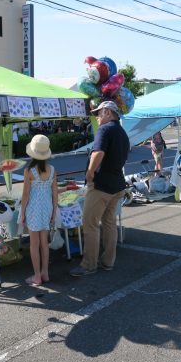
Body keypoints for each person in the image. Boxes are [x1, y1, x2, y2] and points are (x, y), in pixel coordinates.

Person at [70, 101, 129, 277]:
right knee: (109, 224)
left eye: (98, 113)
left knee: (90, 224)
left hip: (101, 185)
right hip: (117, 184)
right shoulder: (122, 132)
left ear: (107, 112)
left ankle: (89, 265)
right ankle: (108, 261)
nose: (96, 116)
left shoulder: (104, 130)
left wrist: (89, 173)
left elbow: (98, 153)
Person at [20, 135, 57, 286]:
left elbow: (25, 195)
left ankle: (37, 276)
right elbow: (55, 194)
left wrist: (22, 212)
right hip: (47, 208)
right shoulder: (53, 170)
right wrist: (54, 214)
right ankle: (45, 274)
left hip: (33, 209)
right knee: (44, 243)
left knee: (34, 244)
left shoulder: (29, 170)